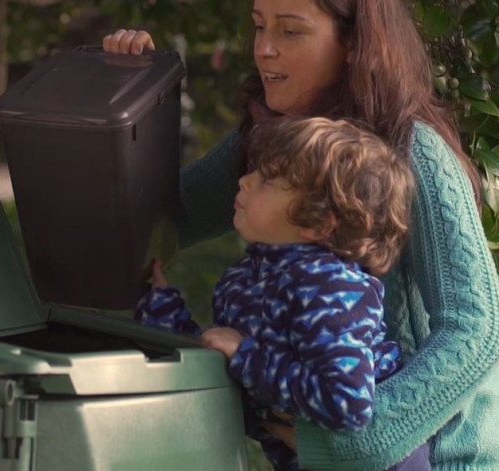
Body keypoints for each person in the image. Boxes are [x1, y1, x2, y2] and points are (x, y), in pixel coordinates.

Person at [102, 0, 499, 470]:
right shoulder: (275, 143)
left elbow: (477, 333)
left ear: (354, 44)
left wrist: (352, 448)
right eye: (259, 26)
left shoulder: (415, 151)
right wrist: (127, 95)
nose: (264, 49)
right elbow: (155, 221)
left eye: (290, 31)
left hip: (439, 455)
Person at [135, 117, 425, 471]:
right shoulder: (245, 279)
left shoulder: (331, 289)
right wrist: (160, 306)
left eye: (268, 179)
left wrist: (245, 354)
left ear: (317, 223)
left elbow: (346, 401)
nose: (245, 181)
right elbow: (224, 367)